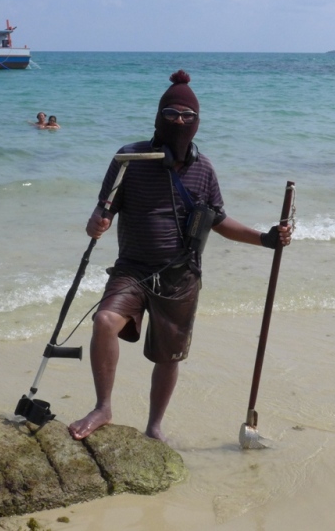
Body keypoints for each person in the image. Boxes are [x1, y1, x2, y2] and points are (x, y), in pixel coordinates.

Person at [68, 70, 291, 442]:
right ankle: (103, 407)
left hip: (181, 276)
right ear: (158, 117)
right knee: (104, 320)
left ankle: (154, 426)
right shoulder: (129, 158)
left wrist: (266, 239)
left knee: (168, 357)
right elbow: (103, 209)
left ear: (198, 122)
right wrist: (96, 223)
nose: (179, 122)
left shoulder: (203, 170)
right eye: (171, 114)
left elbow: (218, 220)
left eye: (188, 116)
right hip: (132, 269)